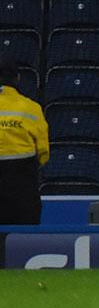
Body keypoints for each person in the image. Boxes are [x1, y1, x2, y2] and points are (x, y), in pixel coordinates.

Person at [0, 57, 48, 225]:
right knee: (22, 241)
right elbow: (43, 152)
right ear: (17, 78)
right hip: (21, 190)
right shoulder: (31, 108)